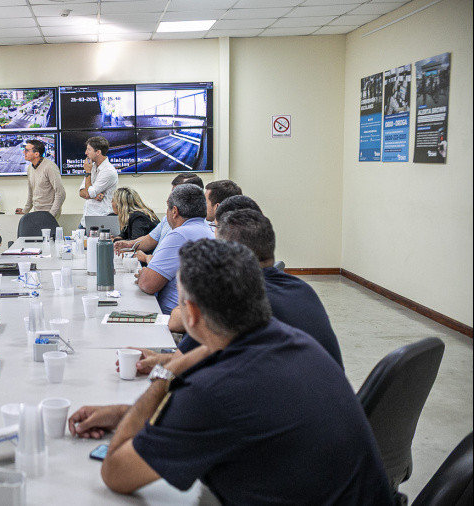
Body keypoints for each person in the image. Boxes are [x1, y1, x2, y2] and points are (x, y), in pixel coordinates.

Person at [68, 240, 393, 505]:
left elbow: (115, 473)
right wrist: (127, 414)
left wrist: (163, 377)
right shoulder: (297, 341)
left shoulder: (212, 390)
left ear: (191, 313)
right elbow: (238, 420)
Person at [136, 204, 344, 374]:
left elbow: (179, 368)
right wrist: (160, 359)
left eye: (213, 229)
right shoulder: (303, 289)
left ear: (225, 250)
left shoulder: (235, 299)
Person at [137, 184, 213, 314]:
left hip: (173, 321)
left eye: (168, 208)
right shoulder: (209, 230)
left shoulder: (180, 234)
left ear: (174, 211)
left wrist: (143, 274)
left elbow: (147, 284)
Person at [113, 173, 203, 257]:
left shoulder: (194, 227)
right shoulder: (167, 219)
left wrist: (146, 258)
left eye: (176, 193)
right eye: (172, 192)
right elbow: (149, 240)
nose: (170, 197)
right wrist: (130, 244)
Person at [15, 139, 66, 217]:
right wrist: (25, 210)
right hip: (37, 211)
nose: (23, 152)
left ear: (36, 154)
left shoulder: (50, 167)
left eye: (27, 150)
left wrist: (52, 214)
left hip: (49, 212)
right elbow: (31, 192)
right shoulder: (30, 168)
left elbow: (61, 193)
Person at [78, 136, 118, 228]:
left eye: (89, 150)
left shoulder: (109, 171)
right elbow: (81, 192)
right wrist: (93, 194)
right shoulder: (92, 166)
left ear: (98, 152)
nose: (85, 153)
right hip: (85, 220)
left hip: (101, 220)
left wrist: (87, 172)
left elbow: (88, 194)